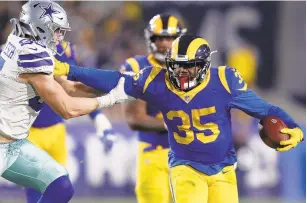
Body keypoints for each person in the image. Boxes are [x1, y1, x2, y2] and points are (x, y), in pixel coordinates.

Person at [54, 34, 304, 203]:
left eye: (189, 66)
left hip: (224, 169)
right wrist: (69, 69)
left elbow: (265, 110)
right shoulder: (156, 80)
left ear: (204, 65)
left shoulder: (225, 81)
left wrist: (293, 128)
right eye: (176, 65)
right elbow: (113, 79)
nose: (181, 72)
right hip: (186, 167)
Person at [0, 1, 125, 202]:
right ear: (40, 27)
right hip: (16, 137)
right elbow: (67, 107)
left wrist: (115, 89)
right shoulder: (31, 54)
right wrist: (112, 97)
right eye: (56, 30)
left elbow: (70, 86)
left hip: (20, 139)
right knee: (41, 189)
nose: (59, 37)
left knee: (60, 186)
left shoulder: (20, 45)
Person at [120, 14, 186, 203]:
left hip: (189, 154)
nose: (164, 43)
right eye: (159, 38)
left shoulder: (192, 68)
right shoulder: (136, 66)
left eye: (170, 38)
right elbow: (135, 119)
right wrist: (177, 123)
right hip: (154, 151)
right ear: (151, 39)